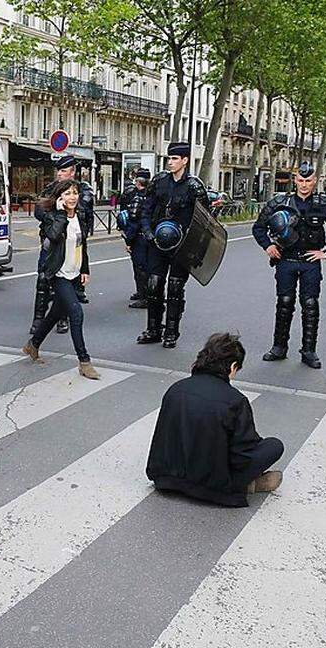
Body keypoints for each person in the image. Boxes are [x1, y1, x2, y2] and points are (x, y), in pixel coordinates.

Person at [146, 333, 284, 507]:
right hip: (213, 487)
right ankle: (250, 484)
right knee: (274, 445)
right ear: (233, 367)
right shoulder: (235, 400)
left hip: (166, 479)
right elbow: (242, 458)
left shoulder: (176, 389)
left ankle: (248, 484)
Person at [251, 162, 326, 368]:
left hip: (310, 262)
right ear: (294, 180)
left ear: (314, 181)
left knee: (310, 305)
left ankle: (309, 351)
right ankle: (279, 347)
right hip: (286, 260)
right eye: (300, 180)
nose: (304, 184)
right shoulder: (280, 202)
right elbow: (258, 228)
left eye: (308, 180)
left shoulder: (324, 205)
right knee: (284, 303)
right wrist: (268, 246)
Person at [23, 179, 100, 380]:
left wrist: (85, 269)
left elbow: (82, 244)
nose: (72, 197)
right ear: (59, 198)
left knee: (55, 313)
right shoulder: (52, 217)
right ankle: (84, 362)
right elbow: (54, 236)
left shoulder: (81, 215)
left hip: (74, 273)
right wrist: (60, 214)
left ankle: (33, 344)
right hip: (58, 273)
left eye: (74, 193)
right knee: (76, 313)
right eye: (67, 194)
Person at [138, 142, 211, 348]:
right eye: (169, 159)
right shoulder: (159, 181)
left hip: (182, 245)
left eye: (175, 159)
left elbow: (205, 221)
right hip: (158, 243)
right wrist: (148, 232)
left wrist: (196, 249)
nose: (170, 162)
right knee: (153, 284)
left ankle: (171, 332)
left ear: (185, 160)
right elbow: (146, 209)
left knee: (175, 288)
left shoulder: (194, 186)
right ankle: (153, 329)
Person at [30, 155, 96, 334]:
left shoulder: (82, 190)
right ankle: (38, 319)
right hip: (51, 241)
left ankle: (62, 318)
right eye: (58, 170)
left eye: (63, 171)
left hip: (73, 242)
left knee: (67, 281)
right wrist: (53, 216)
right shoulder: (50, 188)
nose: (59, 174)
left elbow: (84, 213)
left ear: (72, 172)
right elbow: (39, 211)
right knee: (43, 279)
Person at [119, 167, 152, 309]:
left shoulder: (138, 198)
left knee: (140, 267)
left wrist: (128, 241)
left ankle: (145, 296)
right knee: (150, 266)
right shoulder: (153, 196)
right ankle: (147, 293)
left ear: (138, 182)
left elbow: (133, 221)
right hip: (151, 236)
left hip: (139, 237)